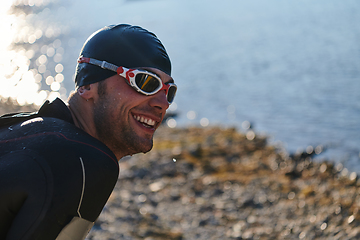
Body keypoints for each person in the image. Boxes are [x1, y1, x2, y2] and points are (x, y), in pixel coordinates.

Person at [0, 24, 177, 240]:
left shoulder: (25, 128)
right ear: (86, 86)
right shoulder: (86, 162)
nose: (163, 104)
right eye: (145, 82)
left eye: (169, 91)